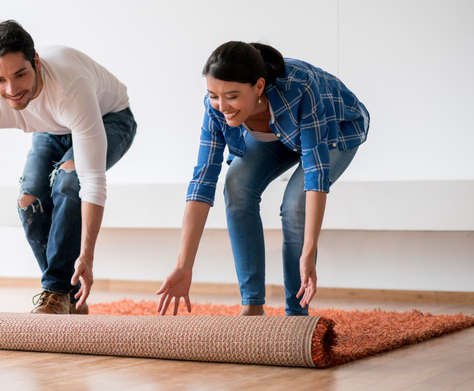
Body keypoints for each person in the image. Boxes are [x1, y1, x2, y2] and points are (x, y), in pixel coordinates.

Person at [157, 41, 369, 316]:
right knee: (236, 186)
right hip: (281, 133)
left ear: (258, 87)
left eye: (232, 96)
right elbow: (203, 180)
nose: (222, 106)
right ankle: (252, 305)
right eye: (213, 95)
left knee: (294, 205)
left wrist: (308, 250)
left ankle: (296, 313)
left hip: (336, 128)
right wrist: (184, 265)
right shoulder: (217, 108)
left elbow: (315, 172)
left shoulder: (300, 88)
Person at [0, 20, 137, 314]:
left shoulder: (70, 87)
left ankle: (56, 291)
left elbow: (91, 180)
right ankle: (68, 295)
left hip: (111, 118)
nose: (12, 89)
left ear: (36, 62)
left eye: (20, 75)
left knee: (69, 179)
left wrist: (86, 256)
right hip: (51, 128)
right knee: (28, 200)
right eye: (0, 80)